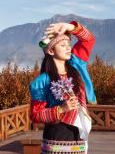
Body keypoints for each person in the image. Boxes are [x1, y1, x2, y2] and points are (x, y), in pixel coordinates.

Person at [29, 21, 96, 154]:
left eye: (69, 45)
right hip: (56, 137)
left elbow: (88, 40)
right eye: (63, 45)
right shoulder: (41, 82)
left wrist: (69, 26)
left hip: (79, 136)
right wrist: (61, 109)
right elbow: (35, 115)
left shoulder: (76, 65)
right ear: (50, 50)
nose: (68, 48)